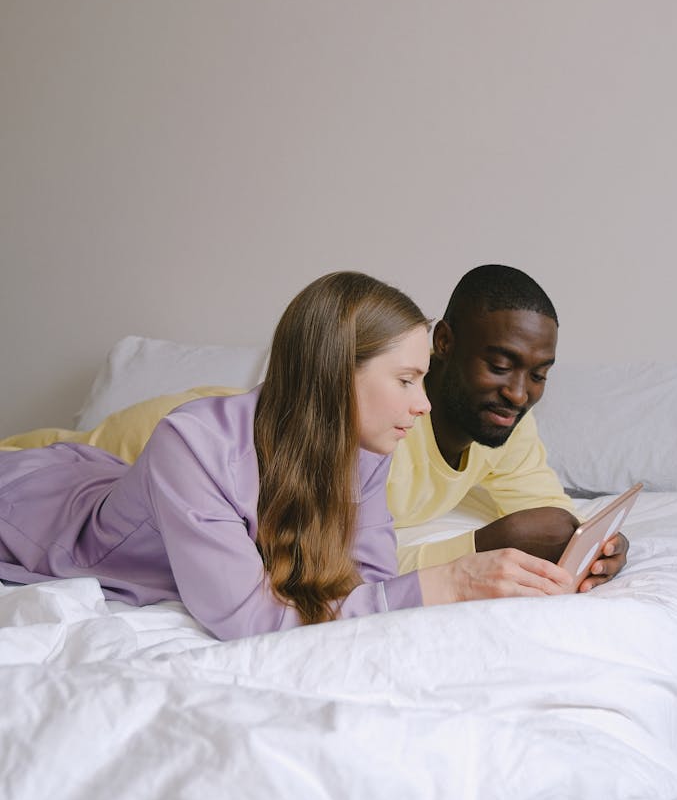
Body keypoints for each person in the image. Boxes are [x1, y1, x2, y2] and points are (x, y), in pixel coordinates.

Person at [0, 271, 574, 640]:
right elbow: (250, 621)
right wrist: (451, 583)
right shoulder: (192, 446)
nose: (424, 405)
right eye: (405, 381)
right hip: (37, 513)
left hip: (134, 484)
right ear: (336, 374)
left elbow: (364, 588)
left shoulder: (368, 448)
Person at [388, 264, 629, 589]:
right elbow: (328, 565)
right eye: (500, 366)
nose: (517, 394)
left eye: (538, 375)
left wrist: (594, 544)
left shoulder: (504, 419)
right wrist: (483, 546)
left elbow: (547, 511)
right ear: (444, 342)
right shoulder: (379, 414)